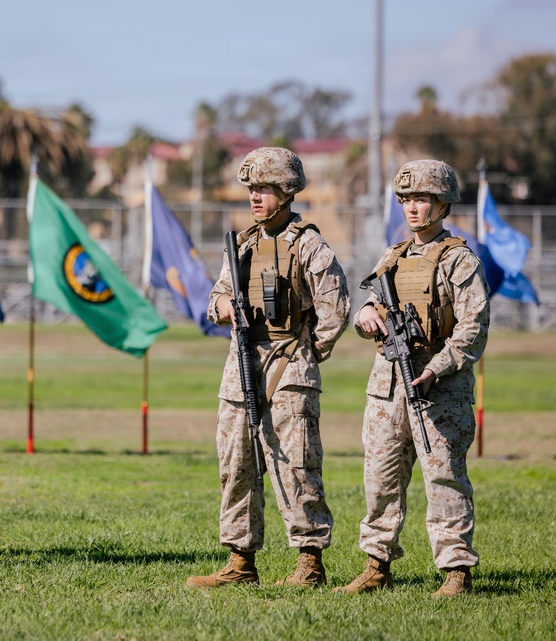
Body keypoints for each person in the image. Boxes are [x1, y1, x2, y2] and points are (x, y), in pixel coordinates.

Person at [187, 147, 350, 589]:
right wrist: (225, 306)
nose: (255, 198)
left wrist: (306, 353)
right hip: (242, 365)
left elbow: (336, 310)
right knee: (236, 462)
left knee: (296, 465)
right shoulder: (240, 246)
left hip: (291, 369)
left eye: (264, 189)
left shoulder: (310, 246)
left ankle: (309, 564)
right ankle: (240, 564)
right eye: (252, 190)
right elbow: (214, 300)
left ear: (287, 191)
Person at [335, 160, 489, 597]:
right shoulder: (393, 255)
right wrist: (366, 315)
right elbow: (372, 303)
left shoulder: (459, 260)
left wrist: (436, 368)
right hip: (388, 386)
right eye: (405, 199)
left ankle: (456, 570)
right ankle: (376, 565)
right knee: (380, 477)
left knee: (444, 479)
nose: (412, 208)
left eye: (421, 199)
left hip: (440, 388)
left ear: (442, 204)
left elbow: (473, 329)